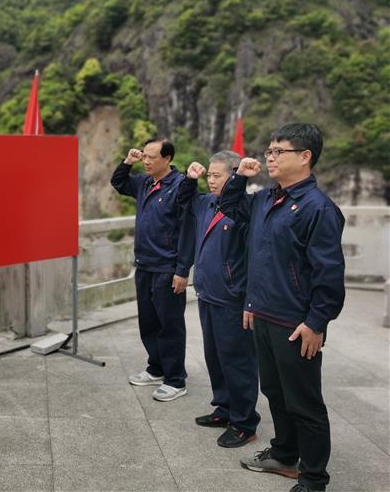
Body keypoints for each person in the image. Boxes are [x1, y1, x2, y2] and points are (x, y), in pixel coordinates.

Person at [217, 123, 345, 492]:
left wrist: (316, 322)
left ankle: (314, 479)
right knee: (274, 391)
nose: (270, 157)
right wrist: (239, 177)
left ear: (305, 157)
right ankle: (285, 454)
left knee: (304, 402)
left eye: (279, 151)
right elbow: (229, 206)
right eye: (269, 151)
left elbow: (329, 273)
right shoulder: (265, 200)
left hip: (296, 323)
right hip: (264, 313)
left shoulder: (318, 208)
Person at [179, 151, 260, 448]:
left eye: (217, 176)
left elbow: (253, 257)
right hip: (208, 293)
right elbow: (183, 202)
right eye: (209, 175)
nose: (211, 181)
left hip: (232, 297)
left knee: (237, 361)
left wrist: (249, 299)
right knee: (215, 357)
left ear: (234, 175)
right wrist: (190, 179)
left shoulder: (245, 209)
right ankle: (224, 408)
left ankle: (244, 423)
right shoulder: (206, 203)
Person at [110, 138, 193, 402]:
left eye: (151, 157)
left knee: (170, 325)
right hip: (144, 264)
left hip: (167, 267)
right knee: (148, 322)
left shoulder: (180, 186)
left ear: (167, 159)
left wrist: (182, 270)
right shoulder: (145, 183)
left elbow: (188, 231)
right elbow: (118, 183)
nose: (146, 161)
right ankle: (156, 368)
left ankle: (176, 379)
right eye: (144, 156)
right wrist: (127, 162)